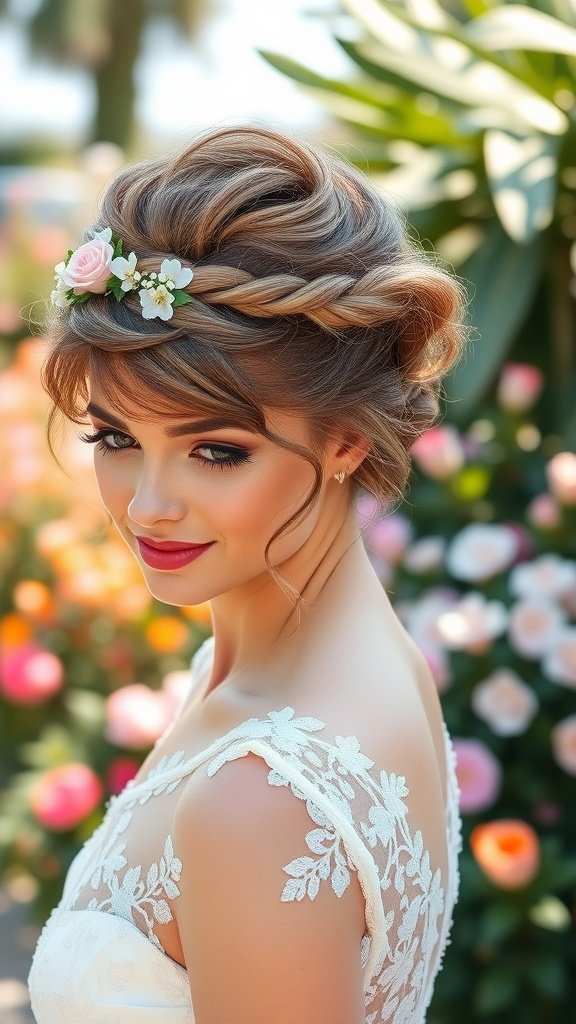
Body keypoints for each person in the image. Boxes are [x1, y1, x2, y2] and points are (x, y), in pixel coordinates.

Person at [28, 124, 466, 1024]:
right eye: (115, 437)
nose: (148, 506)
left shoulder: (263, 801)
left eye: (216, 451)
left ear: (347, 440)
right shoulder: (343, 669)